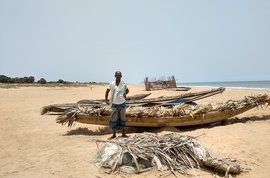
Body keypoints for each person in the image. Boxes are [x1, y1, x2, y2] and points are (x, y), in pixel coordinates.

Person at [105, 71, 129, 139]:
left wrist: (125, 94)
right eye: (117, 75)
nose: (118, 77)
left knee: (123, 119)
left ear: (121, 76)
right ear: (115, 76)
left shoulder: (123, 83)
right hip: (114, 104)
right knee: (114, 119)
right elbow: (107, 91)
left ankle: (123, 134)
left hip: (122, 104)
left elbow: (127, 90)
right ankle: (114, 134)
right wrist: (106, 99)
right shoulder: (111, 83)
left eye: (119, 76)